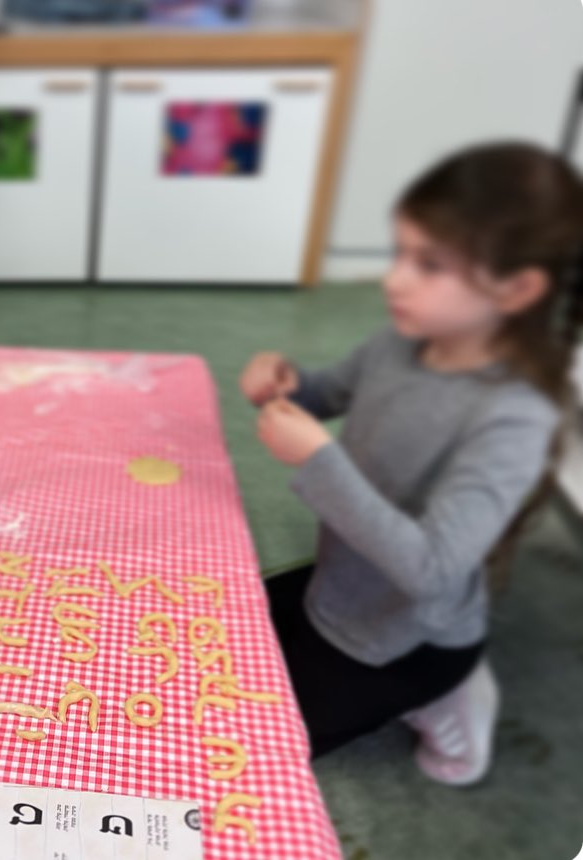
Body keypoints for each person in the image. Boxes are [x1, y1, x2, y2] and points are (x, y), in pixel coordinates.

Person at [242, 142, 580, 785]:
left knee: (248, 752)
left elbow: (429, 569)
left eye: (429, 264)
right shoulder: (403, 342)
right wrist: (285, 384)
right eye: (401, 254)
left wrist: (320, 460)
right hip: (344, 582)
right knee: (205, 632)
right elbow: (326, 393)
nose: (393, 279)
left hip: (409, 636)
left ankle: (446, 696)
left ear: (518, 288)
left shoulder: (515, 416)